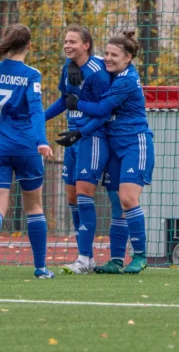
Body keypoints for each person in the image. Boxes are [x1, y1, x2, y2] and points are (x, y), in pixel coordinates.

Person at [0, 24, 54, 279]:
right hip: (26, 147)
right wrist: (42, 141)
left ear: (6, 42)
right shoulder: (31, 75)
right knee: (34, 206)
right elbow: (36, 109)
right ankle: (40, 268)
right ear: (29, 45)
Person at [65, 31, 154, 275]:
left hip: (135, 143)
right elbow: (85, 61)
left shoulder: (127, 80)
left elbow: (102, 108)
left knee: (128, 198)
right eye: (106, 53)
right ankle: (116, 259)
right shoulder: (108, 73)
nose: (108, 58)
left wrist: (76, 104)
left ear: (128, 58)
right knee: (116, 204)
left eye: (114, 55)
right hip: (114, 146)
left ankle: (140, 256)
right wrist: (71, 64)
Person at [44, 25, 110, 275]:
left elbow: (105, 112)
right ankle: (87, 258)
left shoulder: (98, 73)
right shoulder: (68, 67)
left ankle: (83, 258)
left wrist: (82, 132)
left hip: (91, 137)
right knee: (72, 198)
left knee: (84, 196)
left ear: (86, 45)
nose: (67, 45)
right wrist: (39, 119)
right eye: (65, 41)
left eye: (72, 42)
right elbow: (65, 100)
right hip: (72, 138)